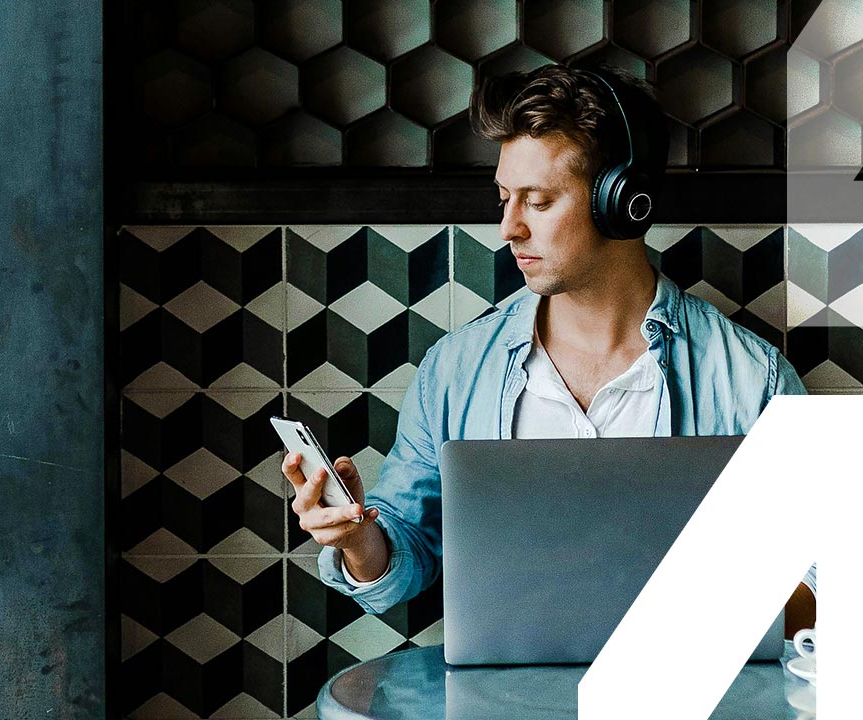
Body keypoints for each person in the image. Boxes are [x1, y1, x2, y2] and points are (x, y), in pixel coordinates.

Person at [280, 63, 818, 652]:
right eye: (505, 197)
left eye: (537, 201)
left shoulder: (751, 379)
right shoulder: (455, 371)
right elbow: (408, 563)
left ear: (624, 202)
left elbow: (821, 585)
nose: (508, 227)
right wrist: (357, 538)